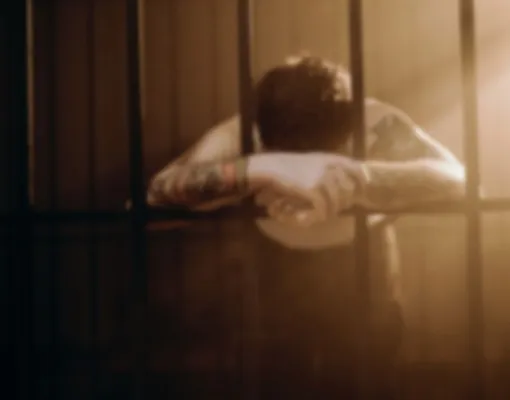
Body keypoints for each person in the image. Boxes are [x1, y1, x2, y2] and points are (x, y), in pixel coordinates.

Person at [146, 55, 466, 399]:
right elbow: (155, 195)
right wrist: (262, 169)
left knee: (369, 370)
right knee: (278, 372)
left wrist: (360, 177)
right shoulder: (242, 131)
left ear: (349, 125)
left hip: (363, 261)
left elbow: (460, 180)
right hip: (275, 264)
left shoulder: (374, 120)